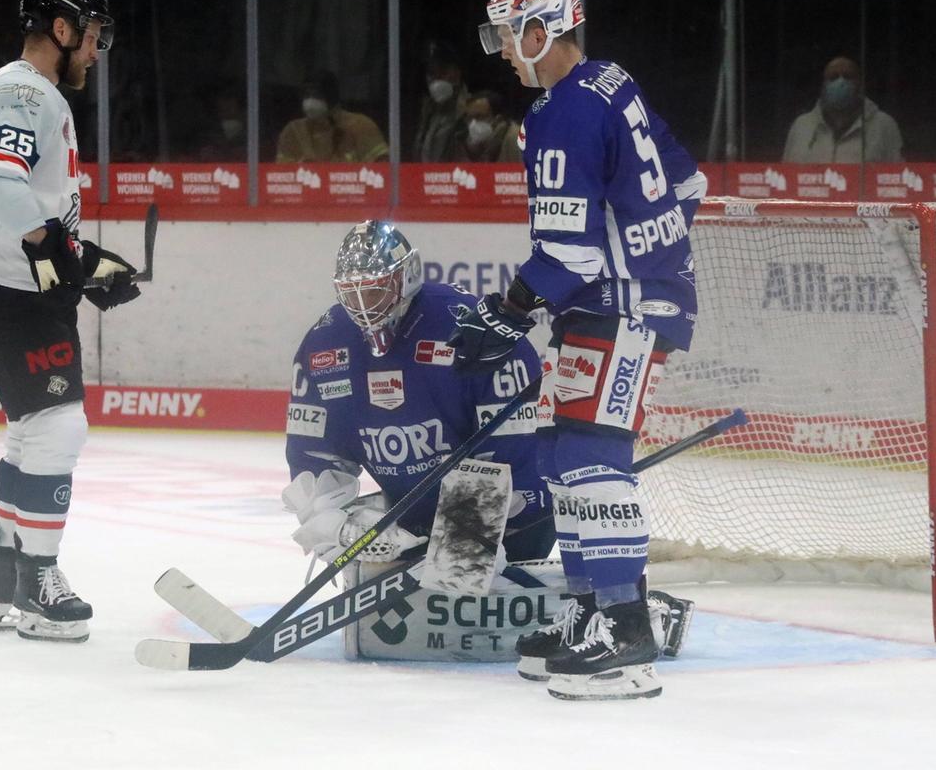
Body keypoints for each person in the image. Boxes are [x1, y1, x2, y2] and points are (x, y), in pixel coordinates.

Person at [455, 0, 707, 701]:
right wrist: (647, 255)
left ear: (540, 30)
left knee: (593, 454)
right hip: (627, 296)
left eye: (507, 35)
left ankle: (626, 636)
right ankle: (591, 611)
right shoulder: (610, 81)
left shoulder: (560, 112)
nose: (502, 51)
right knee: (563, 451)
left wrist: (506, 312)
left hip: (620, 305)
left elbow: (569, 251)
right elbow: (688, 184)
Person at [283, 220, 694, 664]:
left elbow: (517, 447)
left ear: (406, 277)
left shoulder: (466, 328)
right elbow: (314, 452)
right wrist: (337, 526)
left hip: (517, 516)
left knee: (469, 592)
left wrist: (468, 539)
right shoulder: (325, 345)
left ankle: (632, 614)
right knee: (428, 595)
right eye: (353, 293)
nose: (363, 307)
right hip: (416, 517)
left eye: (376, 290)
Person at [0, 0, 141, 644]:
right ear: (61, 29)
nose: (95, 50)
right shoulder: (26, 88)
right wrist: (51, 245)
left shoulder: (25, 89)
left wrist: (77, 257)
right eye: (91, 36)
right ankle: (39, 580)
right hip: (10, 292)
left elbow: (15, 194)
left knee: (31, 429)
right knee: (59, 429)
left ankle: (5, 578)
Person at [782, 55, 903, 163]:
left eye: (848, 77)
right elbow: (787, 175)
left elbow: (897, 178)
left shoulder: (884, 125)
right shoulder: (801, 126)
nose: (841, 82)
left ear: (860, 84)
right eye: (833, 77)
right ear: (823, 86)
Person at [275, 72, 389, 163]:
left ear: (332, 97)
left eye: (316, 95)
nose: (310, 102)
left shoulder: (361, 126)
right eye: (306, 95)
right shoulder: (293, 132)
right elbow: (283, 176)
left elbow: (383, 172)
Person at [411, 42, 468, 162]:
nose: (436, 78)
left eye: (443, 71)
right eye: (431, 73)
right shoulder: (426, 113)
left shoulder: (472, 112)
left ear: (457, 73)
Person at [456, 90, 523, 162]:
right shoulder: (466, 142)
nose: (472, 124)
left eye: (479, 117)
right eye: (469, 118)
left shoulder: (516, 139)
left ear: (498, 119)